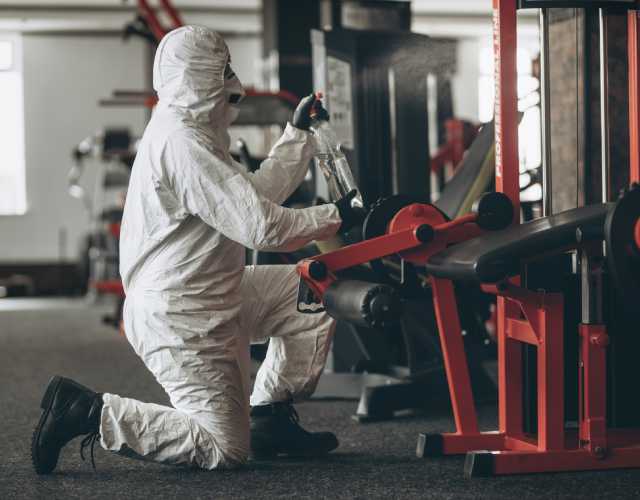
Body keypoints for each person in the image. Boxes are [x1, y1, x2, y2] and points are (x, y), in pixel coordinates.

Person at [31, 25, 365, 474]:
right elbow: (262, 226)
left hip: (211, 290)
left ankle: (268, 416)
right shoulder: (181, 143)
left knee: (315, 290)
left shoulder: (194, 133)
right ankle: (88, 412)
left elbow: (253, 195)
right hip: (181, 315)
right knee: (223, 448)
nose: (235, 82)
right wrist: (337, 216)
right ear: (201, 75)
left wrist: (298, 136)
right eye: (224, 69)